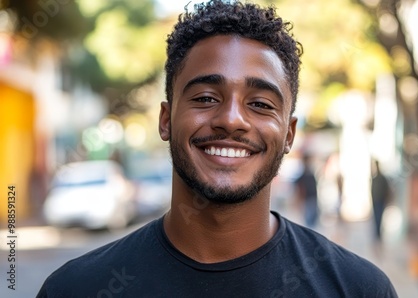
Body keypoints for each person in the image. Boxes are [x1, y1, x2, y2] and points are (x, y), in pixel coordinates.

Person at [37, 1, 397, 296]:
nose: (232, 119)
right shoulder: (75, 289)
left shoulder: (359, 289)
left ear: (289, 135)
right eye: (206, 97)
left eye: (260, 104)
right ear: (166, 119)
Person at [294, 153, 319, 228]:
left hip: (312, 199)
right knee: (308, 222)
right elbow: (299, 188)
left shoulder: (311, 174)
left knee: (312, 220)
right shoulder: (303, 175)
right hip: (307, 200)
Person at [370, 159, 391, 242]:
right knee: (375, 218)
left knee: (379, 218)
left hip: (380, 201)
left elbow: (386, 189)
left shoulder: (382, 178)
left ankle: (378, 235)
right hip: (375, 201)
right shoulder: (374, 178)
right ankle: (377, 235)